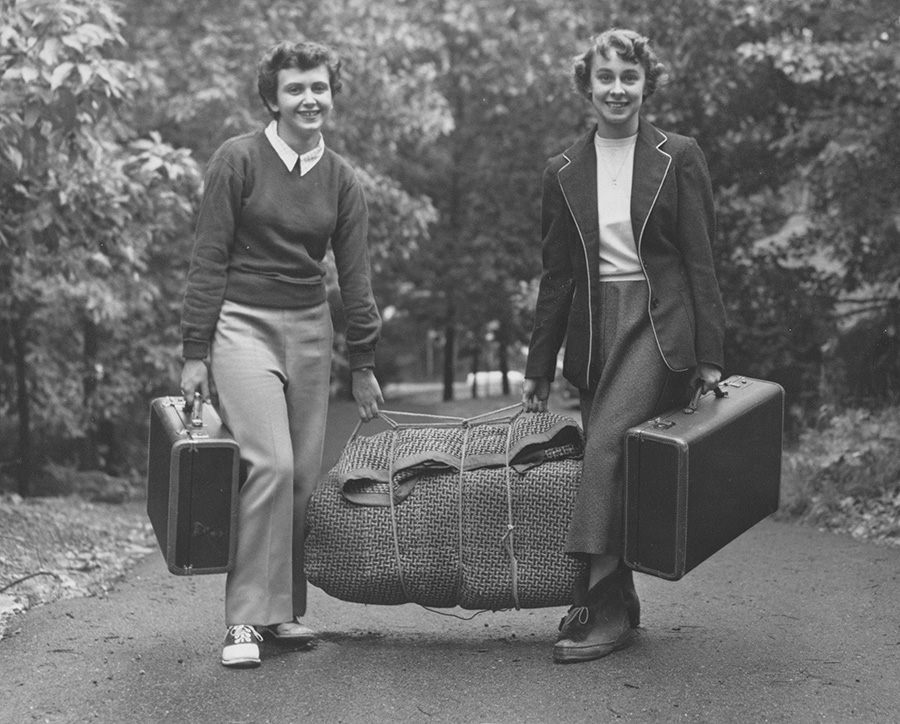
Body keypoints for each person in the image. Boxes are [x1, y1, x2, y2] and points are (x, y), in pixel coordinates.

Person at [521, 28, 725, 663]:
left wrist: (712, 355)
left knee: (607, 447)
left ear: (646, 85)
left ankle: (600, 607)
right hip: (592, 327)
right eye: (605, 77)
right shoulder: (562, 169)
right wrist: (538, 364)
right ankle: (619, 597)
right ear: (587, 85)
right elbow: (556, 275)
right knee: (607, 460)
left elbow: (700, 261)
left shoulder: (679, 154)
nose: (617, 89)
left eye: (629, 78)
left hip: (657, 322)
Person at [180, 41, 383, 668]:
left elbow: (355, 275)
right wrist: (195, 352)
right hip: (242, 324)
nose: (309, 99)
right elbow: (209, 256)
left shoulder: (342, 178)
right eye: (295, 89)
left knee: (301, 474)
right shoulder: (237, 160)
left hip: (310, 328)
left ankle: (283, 612)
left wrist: (366, 363)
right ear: (272, 98)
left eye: (319, 87)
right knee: (268, 462)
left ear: (331, 94)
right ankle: (244, 620)